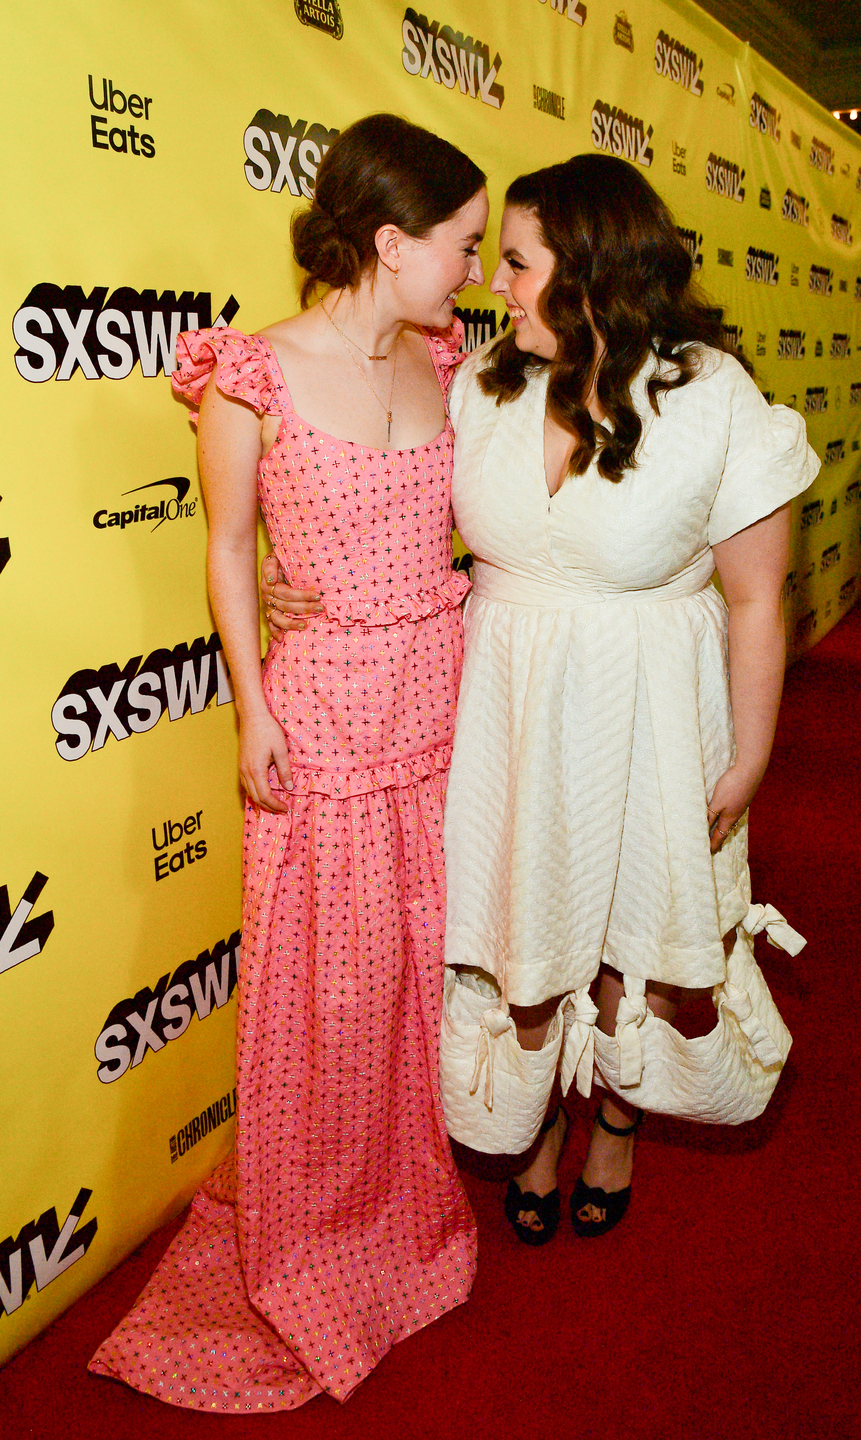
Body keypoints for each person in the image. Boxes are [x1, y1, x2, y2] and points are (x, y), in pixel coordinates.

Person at [264, 154, 819, 1249]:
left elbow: (757, 600)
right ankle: (530, 1133)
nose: (492, 285)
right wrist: (288, 580)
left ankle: (614, 1120)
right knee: (522, 928)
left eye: (514, 263)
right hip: (504, 708)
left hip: (652, 708)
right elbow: (373, 509)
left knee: (628, 938)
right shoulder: (476, 384)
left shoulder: (710, 395)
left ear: (590, 268)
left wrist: (747, 755)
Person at [89, 113, 488, 1410]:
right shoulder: (250, 369)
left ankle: (398, 1202)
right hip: (319, 715)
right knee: (320, 988)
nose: (473, 269)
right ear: (389, 239)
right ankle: (312, 1233)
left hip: (439, 697)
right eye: (460, 243)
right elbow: (225, 552)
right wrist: (251, 706)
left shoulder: (446, 355)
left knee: (410, 976)